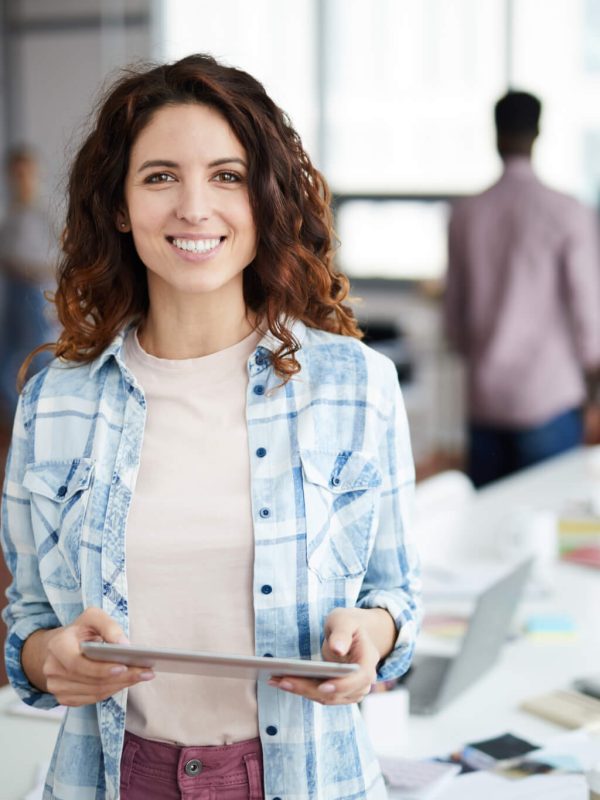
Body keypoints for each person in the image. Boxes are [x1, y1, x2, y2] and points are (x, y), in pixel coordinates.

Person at [1, 54, 421, 800]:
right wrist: (44, 660)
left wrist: (373, 638)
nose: (195, 207)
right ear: (121, 207)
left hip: (308, 778)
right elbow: (29, 622)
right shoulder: (55, 401)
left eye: (226, 176)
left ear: (264, 199)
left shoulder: (357, 386)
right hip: (111, 777)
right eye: (161, 176)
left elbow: (397, 597)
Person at [444, 90, 600, 487]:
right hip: (549, 398)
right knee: (552, 528)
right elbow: (589, 317)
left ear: (495, 135)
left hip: (485, 398)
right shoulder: (567, 212)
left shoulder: (466, 214)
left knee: (485, 533)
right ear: (538, 134)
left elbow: (454, 323)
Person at [0, 145, 57, 423]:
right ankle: (20, 424)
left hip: (36, 295)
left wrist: (30, 271)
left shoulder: (45, 216)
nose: (21, 180)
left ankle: (37, 423)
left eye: (26, 173)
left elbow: (61, 260)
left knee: (38, 357)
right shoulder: (10, 217)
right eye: (15, 174)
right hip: (13, 295)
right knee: (9, 362)